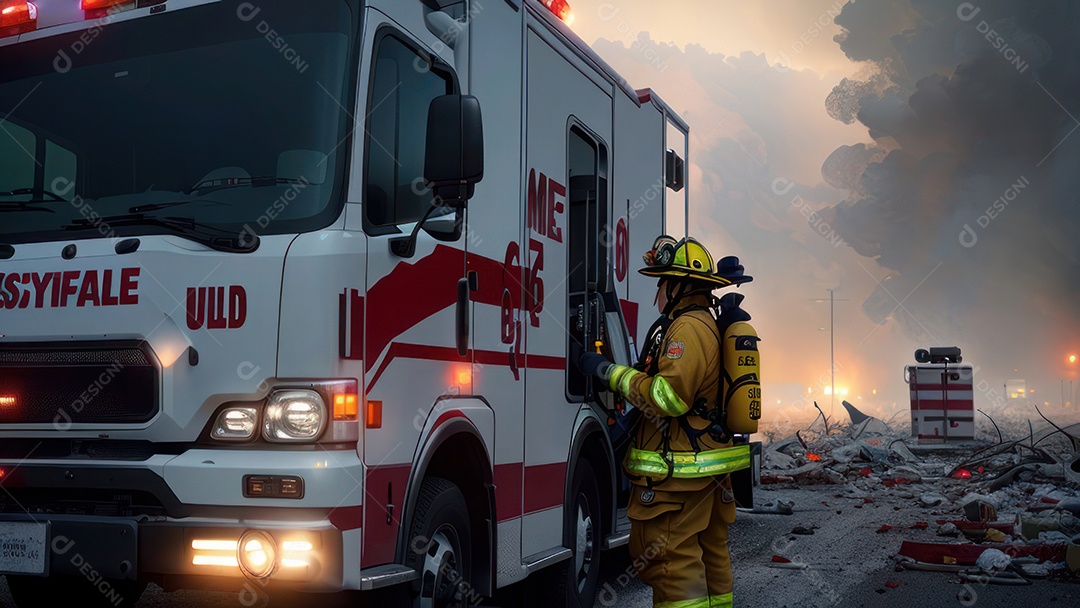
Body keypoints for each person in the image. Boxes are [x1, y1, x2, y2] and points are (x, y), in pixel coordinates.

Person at [578, 235, 756, 608]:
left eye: (662, 282)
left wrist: (609, 372)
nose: (657, 292)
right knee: (709, 558)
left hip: (679, 477)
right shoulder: (702, 323)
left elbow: (668, 397)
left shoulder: (688, 328)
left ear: (678, 286)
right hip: (705, 470)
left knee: (671, 563)